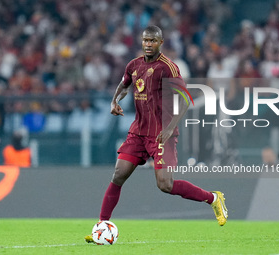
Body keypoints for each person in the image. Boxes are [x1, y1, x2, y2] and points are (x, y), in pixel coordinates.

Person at [85, 25, 228, 243]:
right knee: (118, 174)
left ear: (160, 43)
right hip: (138, 131)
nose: (148, 44)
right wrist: (115, 101)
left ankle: (213, 198)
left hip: (162, 133)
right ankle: (102, 225)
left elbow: (185, 97)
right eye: (145, 40)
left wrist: (171, 127)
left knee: (165, 185)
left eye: (153, 41)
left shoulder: (168, 68)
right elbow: (125, 85)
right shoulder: (134, 65)